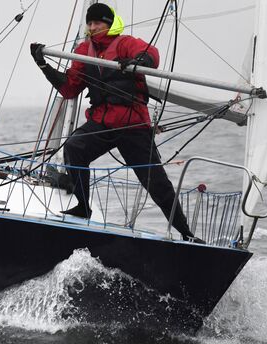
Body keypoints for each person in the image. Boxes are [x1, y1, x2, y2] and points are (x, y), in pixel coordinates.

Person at [30, 3, 202, 242]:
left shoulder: (125, 43)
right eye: (90, 23)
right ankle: (83, 206)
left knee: (155, 181)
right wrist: (43, 65)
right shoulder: (83, 51)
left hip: (132, 124)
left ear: (109, 24)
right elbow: (69, 89)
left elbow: (152, 54)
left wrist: (139, 60)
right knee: (74, 147)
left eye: (98, 23)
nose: (93, 27)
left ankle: (186, 233)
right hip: (102, 121)